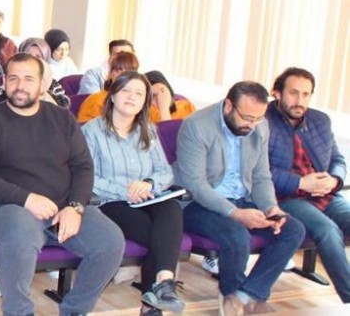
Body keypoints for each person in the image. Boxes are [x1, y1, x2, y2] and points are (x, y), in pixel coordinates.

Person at [0, 53, 125, 316]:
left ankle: (75, 310)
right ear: (4, 82)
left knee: (110, 241)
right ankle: (18, 312)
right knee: (22, 236)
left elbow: (83, 167)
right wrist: (27, 198)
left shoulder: (63, 119)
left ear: (42, 85)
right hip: (9, 209)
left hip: (62, 209)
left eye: (29, 79)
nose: (20, 86)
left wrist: (75, 206)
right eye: (13, 78)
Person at [175, 81, 306, 315]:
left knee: (292, 230)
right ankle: (230, 292)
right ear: (228, 106)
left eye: (258, 119)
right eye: (247, 118)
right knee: (237, 235)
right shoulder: (197, 126)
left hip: (243, 199)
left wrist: (271, 208)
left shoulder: (260, 127)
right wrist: (235, 213)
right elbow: (196, 184)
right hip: (197, 203)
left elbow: (261, 176)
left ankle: (245, 295)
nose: (252, 125)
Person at [82, 71, 185, 315]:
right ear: (112, 95)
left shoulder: (147, 129)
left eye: (139, 93)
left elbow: (165, 172)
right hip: (110, 202)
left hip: (147, 198)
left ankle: (163, 281)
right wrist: (126, 191)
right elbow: (89, 178)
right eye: (126, 91)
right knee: (160, 237)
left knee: (171, 208)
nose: (132, 97)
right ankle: (153, 303)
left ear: (145, 101)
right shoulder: (92, 131)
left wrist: (149, 183)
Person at [266, 68, 349, 303]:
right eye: (293, 93)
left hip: (324, 194)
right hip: (286, 197)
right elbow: (257, 172)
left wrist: (335, 180)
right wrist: (301, 182)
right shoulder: (262, 121)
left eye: (306, 94)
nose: (299, 101)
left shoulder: (320, 121)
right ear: (277, 93)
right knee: (327, 231)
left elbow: (337, 159)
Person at [77, 52, 159, 124]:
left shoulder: (141, 101)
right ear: (110, 74)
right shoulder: (96, 101)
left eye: (130, 71)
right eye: (119, 70)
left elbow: (160, 129)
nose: (124, 75)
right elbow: (86, 131)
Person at [19, 37, 70, 108]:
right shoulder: (11, 81)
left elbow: (61, 110)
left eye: (38, 57)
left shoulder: (53, 85)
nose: (32, 60)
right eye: (28, 55)